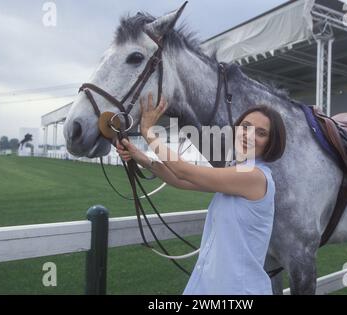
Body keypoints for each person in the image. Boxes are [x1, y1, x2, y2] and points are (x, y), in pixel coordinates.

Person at [117, 93, 286, 295]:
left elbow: (184, 171)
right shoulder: (239, 171)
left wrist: (147, 131)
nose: (248, 135)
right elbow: (180, 180)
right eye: (246, 126)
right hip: (213, 284)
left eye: (261, 133)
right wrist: (141, 158)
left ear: (271, 142)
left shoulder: (254, 177)